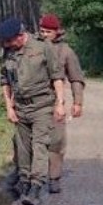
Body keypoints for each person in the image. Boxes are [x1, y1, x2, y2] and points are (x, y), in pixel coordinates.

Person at [0, 18, 66, 205]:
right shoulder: (7, 53)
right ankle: (24, 188)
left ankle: (35, 190)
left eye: (10, 41)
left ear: (20, 36)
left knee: (40, 145)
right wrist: (9, 107)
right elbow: (5, 81)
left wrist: (60, 104)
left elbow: (57, 77)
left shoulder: (43, 48)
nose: (7, 45)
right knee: (23, 149)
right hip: (20, 108)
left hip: (42, 106)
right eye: (5, 42)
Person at [37, 14, 85, 194]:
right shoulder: (33, 47)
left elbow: (76, 78)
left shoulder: (66, 51)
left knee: (57, 141)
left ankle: (54, 176)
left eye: (48, 32)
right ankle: (26, 176)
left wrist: (77, 102)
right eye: (41, 31)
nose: (44, 34)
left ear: (57, 32)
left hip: (54, 100)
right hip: (34, 101)